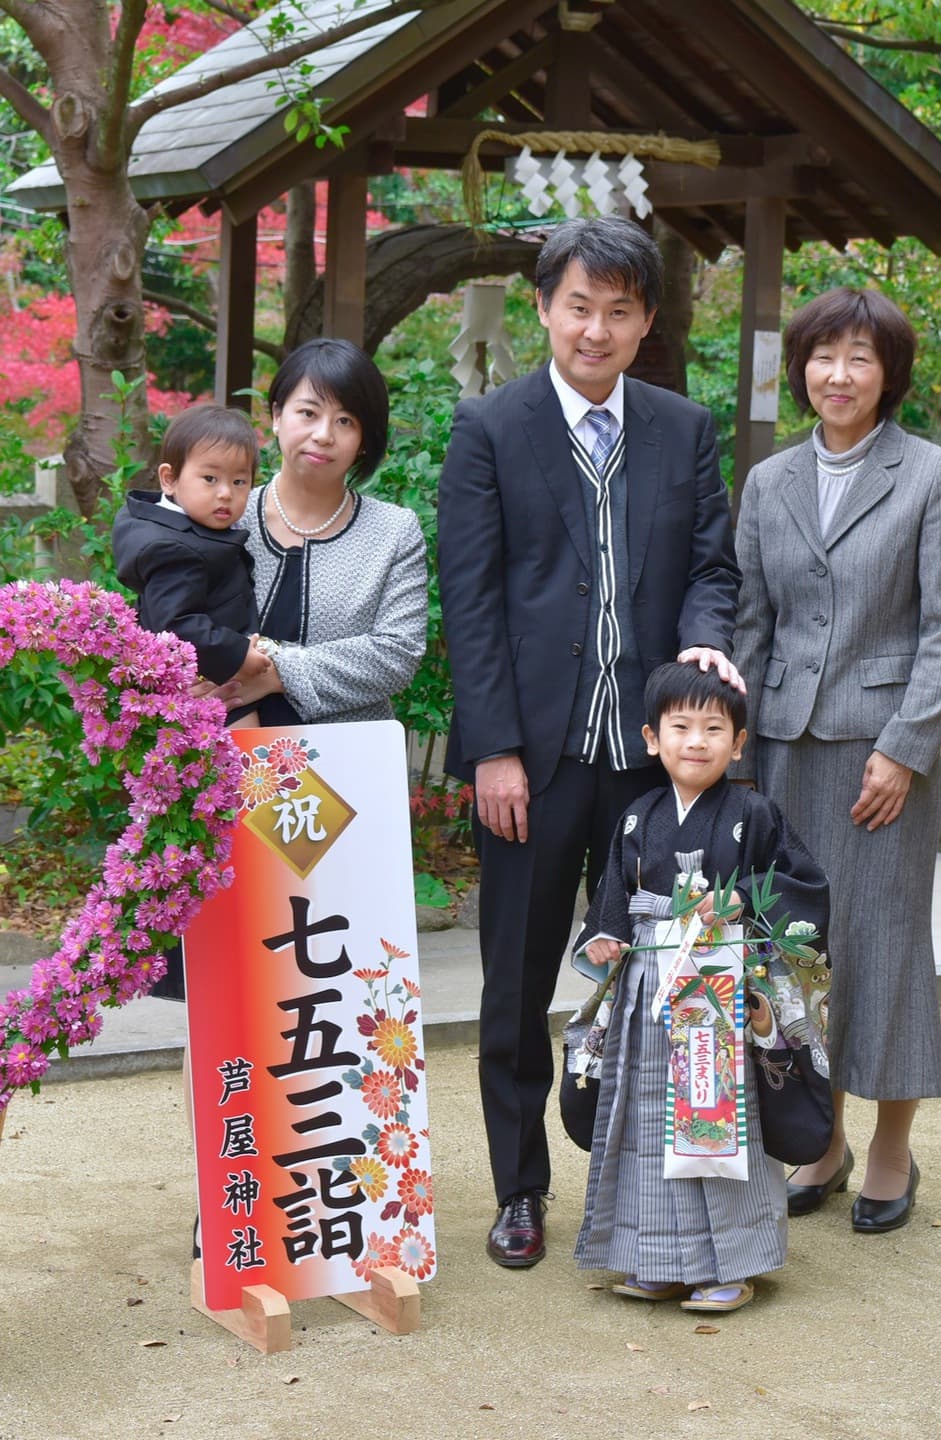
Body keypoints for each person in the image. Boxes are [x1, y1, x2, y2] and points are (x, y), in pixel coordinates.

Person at [437, 217, 742, 1269]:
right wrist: (492, 751)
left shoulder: (685, 428)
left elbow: (712, 568)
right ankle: (520, 1190)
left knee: (675, 969)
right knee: (517, 984)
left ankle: (670, 1186)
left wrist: (703, 658)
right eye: (579, 306)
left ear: (646, 320)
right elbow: (470, 603)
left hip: (657, 766)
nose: (596, 330)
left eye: (619, 311)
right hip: (536, 758)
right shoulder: (491, 428)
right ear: (545, 308)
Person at [730, 288, 941, 1233]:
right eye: (824, 354)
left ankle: (888, 1148)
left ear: (890, 374)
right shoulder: (770, 480)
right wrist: (737, 752)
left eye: (861, 357)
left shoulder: (930, 474)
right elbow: (752, 621)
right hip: (782, 749)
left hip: (881, 759)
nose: (839, 373)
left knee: (883, 944)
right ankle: (820, 1140)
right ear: (800, 366)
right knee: (796, 952)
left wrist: (906, 749)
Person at [572, 662, 828, 1314]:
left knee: (716, 1126)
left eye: (714, 728)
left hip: (716, 979)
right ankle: (655, 1259)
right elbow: (610, 903)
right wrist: (604, 941)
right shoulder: (636, 819)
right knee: (649, 1122)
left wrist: (740, 901)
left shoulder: (754, 813)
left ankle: (731, 1265)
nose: (696, 741)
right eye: (680, 727)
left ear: (738, 743)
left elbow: (801, 888)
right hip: (647, 986)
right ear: (652, 739)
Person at [215, 337, 429, 727]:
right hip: (220, 762)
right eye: (309, 413)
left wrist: (273, 671)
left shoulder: (393, 532)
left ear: (364, 441)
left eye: (346, 421)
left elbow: (397, 655)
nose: (324, 434)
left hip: (345, 768)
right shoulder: (225, 516)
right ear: (278, 415)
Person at [112, 402, 284, 729]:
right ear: (170, 479)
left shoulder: (184, 527)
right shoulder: (172, 548)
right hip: (207, 686)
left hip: (214, 675)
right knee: (244, 767)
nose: (225, 494)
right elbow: (175, 622)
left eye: (239, 482)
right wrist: (236, 654)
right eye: (210, 478)